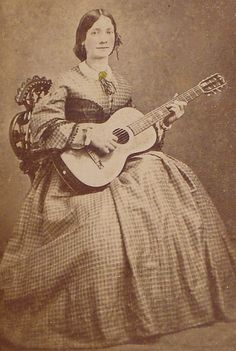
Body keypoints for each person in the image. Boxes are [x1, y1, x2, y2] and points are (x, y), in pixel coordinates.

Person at [0, 8, 236, 350]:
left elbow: (132, 132)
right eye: (95, 32)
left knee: (167, 175)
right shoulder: (68, 81)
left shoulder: (122, 84)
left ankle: (158, 310)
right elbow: (43, 129)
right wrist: (87, 135)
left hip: (117, 166)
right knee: (98, 228)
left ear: (115, 40)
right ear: (82, 40)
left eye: (108, 32)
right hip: (75, 171)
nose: (102, 39)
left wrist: (165, 120)